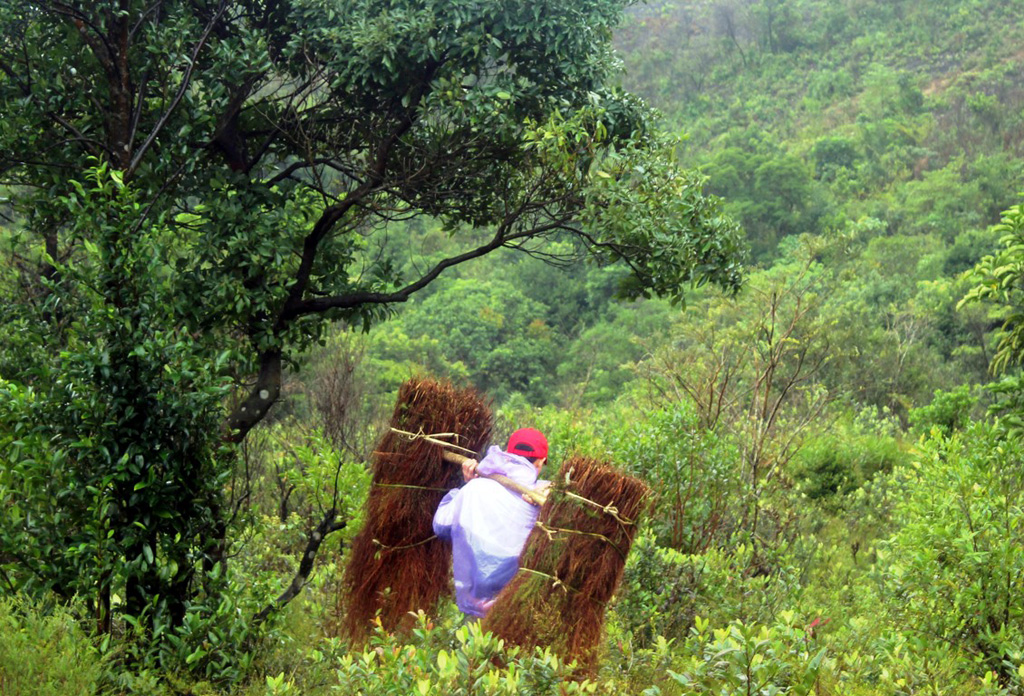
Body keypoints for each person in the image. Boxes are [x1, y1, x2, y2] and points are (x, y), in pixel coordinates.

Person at [432, 427, 550, 618]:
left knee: (476, 646)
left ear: (508, 453)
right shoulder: (543, 501)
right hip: (521, 606)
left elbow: (441, 526)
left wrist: (463, 489)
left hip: (476, 605)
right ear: (540, 461)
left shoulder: (476, 487)